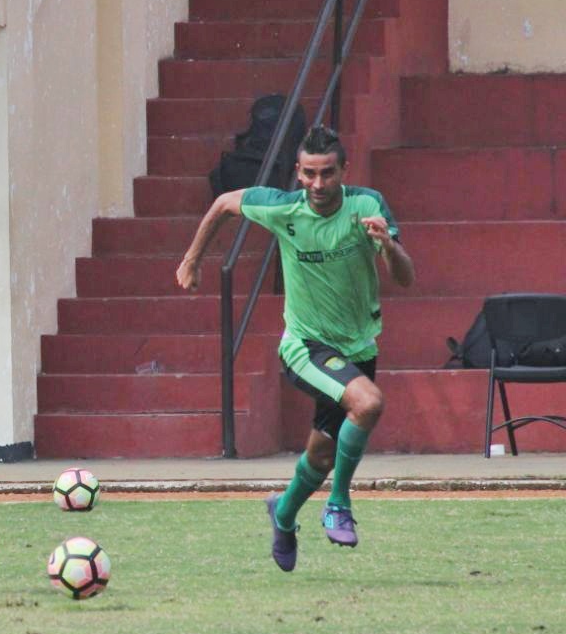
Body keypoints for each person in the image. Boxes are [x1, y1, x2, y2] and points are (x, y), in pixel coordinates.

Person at [176, 126, 415, 572]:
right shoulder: (283, 206)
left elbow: (405, 276)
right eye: (310, 174)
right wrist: (192, 259)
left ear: (344, 171)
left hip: (358, 350)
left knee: (322, 454)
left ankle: (283, 514)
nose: (319, 184)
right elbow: (223, 203)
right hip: (305, 347)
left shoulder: (367, 206)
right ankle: (338, 504)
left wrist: (387, 245)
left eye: (328, 173)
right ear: (298, 173)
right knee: (369, 403)